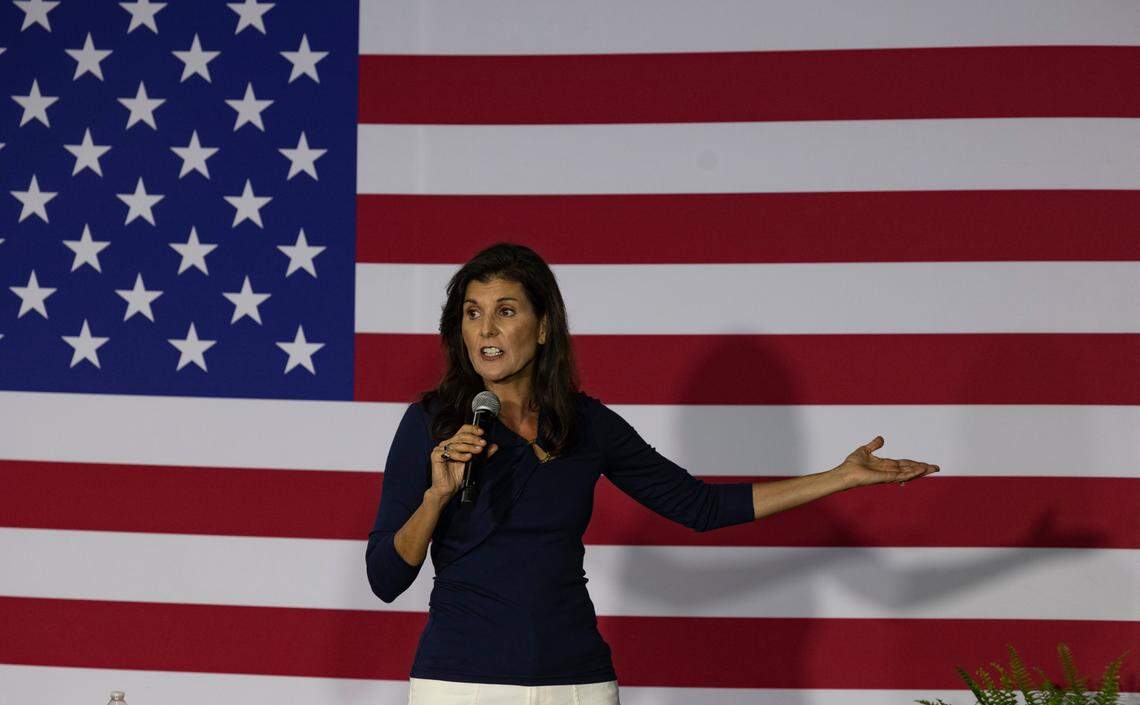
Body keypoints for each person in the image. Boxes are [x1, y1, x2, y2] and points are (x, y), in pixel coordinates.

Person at [365, 243, 940, 705]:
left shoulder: (586, 423)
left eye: (506, 311)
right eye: (473, 314)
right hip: (462, 685)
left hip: (578, 682)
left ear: (542, 328)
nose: (487, 330)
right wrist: (435, 498)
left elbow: (700, 507)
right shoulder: (431, 425)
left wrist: (839, 477)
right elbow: (385, 579)